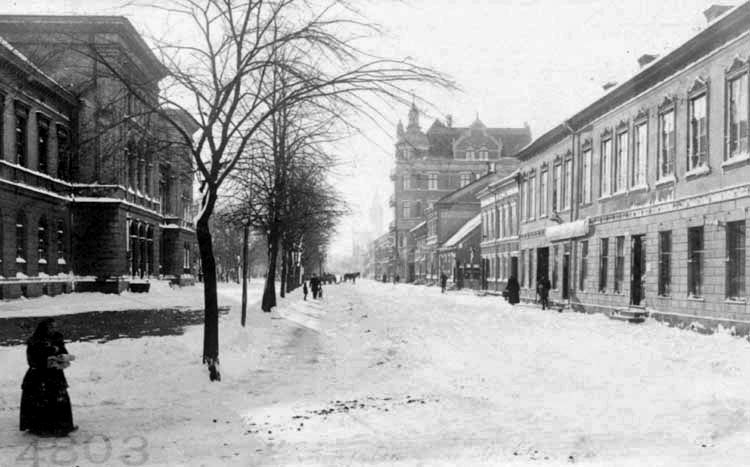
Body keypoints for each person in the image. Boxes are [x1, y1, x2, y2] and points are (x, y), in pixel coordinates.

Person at [20, 318, 77, 437]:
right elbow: (32, 360)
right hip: (39, 376)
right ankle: (41, 427)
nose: (53, 329)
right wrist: (46, 361)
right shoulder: (35, 341)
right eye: (51, 327)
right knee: (41, 401)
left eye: (55, 327)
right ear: (44, 328)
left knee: (59, 399)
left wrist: (63, 359)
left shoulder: (57, 338)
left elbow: (63, 352)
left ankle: (62, 426)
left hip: (55, 375)